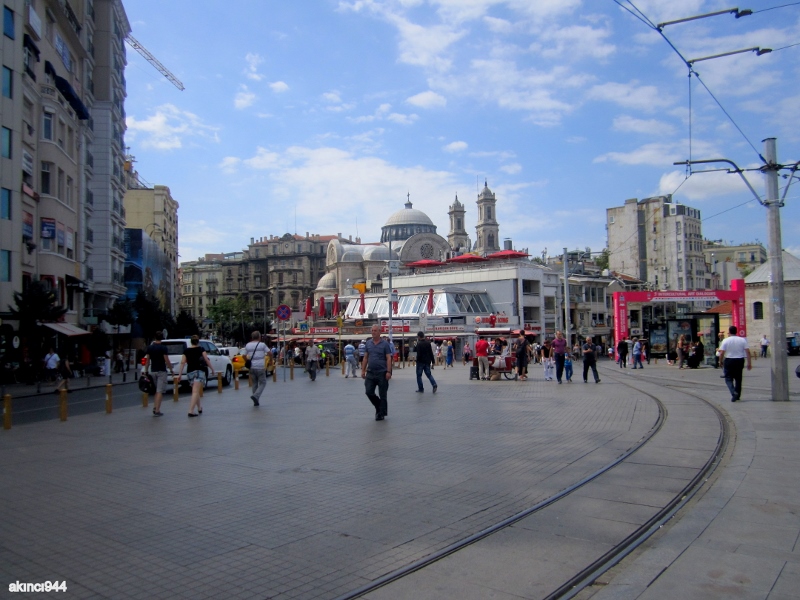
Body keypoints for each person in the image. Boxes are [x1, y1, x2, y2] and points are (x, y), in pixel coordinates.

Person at [177, 335, 214, 417]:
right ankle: (191, 411)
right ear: (198, 342)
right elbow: (206, 359)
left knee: (195, 390)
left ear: (191, 342)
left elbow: (183, 362)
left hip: (190, 372)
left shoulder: (186, 351)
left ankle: (199, 408)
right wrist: (212, 369)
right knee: (195, 391)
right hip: (199, 371)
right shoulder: (201, 349)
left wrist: (179, 374)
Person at [362, 324, 392, 420]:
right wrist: (363, 370)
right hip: (370, 372)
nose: (373, 332)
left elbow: (388, 358)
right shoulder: (368, 343)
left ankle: (381, 413)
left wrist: (389, 371)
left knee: (383, 394)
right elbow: (366, 357)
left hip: (382, 373)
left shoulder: (385, 344)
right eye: (372, 330)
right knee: (368, 391)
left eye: (375, 330)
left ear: (380, 332)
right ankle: (379, 405)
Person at [718, 326, 751, 402]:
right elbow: (748, 352)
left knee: (728, 379)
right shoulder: (742, 340)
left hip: (729, 360)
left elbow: (722, 352)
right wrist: (749, 363)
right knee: (738, 378)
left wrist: (720, 361)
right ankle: (737, 395)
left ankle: (734, 393)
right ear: (736, 331)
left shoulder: (726, 340)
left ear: (729, 332)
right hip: (739, 360)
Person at [144, 332, 174, 416]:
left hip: (153, 370)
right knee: (160, 391)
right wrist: (171, 369)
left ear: (155, 337)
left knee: (155, 390)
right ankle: (157, 410)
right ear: (162, 338)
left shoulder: (150, 348)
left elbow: (147, 360)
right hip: (161, 370)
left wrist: (146, 371)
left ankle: (155, 406)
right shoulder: (163, 348)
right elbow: (166, 360)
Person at [245, 331, 268, 406]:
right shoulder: (262, 345)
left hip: (252, 367)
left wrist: (247, 361)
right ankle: (256, 396)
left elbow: (243, 355)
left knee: (254, 383)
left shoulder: (248, 345)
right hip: (260, 367)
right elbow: (269, 353)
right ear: (259, 337)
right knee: (263, 382)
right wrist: (270, 359)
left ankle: (256, 401)